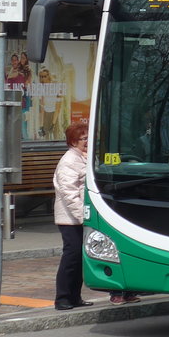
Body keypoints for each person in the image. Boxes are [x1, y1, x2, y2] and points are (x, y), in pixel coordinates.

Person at [52, 122, 95, 310]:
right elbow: (69, 193)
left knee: (79, 257)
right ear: (73, 141)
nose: (87, 142)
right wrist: (82, 216)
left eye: (88, 138)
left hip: (78, 217)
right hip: (70, 219)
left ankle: (75, 296)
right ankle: (62, 297)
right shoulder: (69, 160)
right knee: (71, 256)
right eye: (83, 139)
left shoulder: (82, 157)